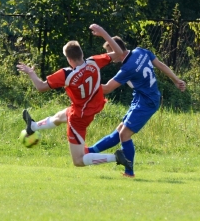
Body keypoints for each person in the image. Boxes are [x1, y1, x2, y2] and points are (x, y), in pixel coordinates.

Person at [16, 24, 132, 171]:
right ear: (81, 54)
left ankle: (115, 157)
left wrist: (31, 73)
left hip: (79, 116)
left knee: (78, 160)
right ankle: (33, 126)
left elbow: (40, 87)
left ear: (69, 59)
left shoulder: (66, 74)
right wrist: (103, 33)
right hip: (91, 106)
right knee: (59, 117)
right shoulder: (94, 62)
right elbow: (119, 51)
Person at [86, 38, 186, 177]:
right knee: (119, 132)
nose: (108, 56)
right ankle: (89, 152)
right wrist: (177, 80)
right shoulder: (140, 51)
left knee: (124, 134)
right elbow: (161, 65)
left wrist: (84, 86)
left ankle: (129, 172)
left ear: (116, 50)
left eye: (109, 52)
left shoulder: (127, 68)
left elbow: (107, 88)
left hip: (147, 102)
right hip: (143, 97)